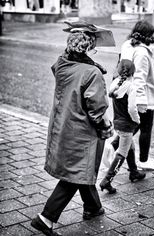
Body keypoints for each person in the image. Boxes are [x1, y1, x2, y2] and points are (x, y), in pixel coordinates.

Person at [31, 29, 113, 236]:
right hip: (81, 131)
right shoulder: (91, 73)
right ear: (88, 48)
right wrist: (106, 126)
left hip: (62, 125)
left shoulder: (61, 64)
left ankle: (92, 207)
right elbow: (97, 110)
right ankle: (46, 218)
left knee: (79, 168)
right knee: (75, 171)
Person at [110, 20, 154, 172]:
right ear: (147, 35)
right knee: (145, 127)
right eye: (152, 34)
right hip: (141, 96)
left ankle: (113, 147)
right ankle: (143, 161)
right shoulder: (142, 52)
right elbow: (140, 79)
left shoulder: (127, 45)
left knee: (132, 127)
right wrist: (141, 102)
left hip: (125, 91)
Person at [99, 58, 146, 194]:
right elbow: (132, 108)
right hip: (126, 126)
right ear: (133, 72)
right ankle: (107, 181)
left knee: (130, 146)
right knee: (121, 153)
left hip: (118, 122)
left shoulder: (115, 83)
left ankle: (134, 172)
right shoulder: (131, 87)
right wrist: (137, 120)